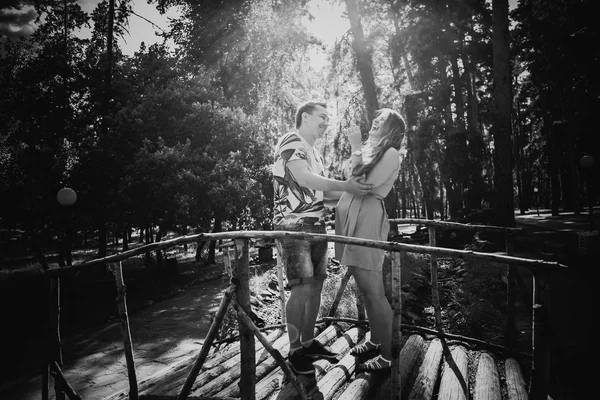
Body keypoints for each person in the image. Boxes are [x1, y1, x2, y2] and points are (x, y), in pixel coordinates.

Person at [272, 101, 373, 375]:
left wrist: (356, 192)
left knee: (315, 286)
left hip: (317, 226)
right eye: (322, 117)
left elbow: (325, 196)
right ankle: (294, 351)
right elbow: (305, 180)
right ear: (305, 116)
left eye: (328, 118)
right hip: (292, 226)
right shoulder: (291, 141)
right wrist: (345, 187)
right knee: (301, 288)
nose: (326, 122)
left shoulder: (315, 152)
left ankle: (307, 341)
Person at [335, 108, 406, 371]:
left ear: (392, 130)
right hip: (350, 218)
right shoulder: (370, 150)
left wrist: (354, 146)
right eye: (375, 118)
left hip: (367, 219)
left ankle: (387, 358)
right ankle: (375, 341)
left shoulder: (390, 153)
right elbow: (347, 175)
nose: (375, 121)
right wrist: (358, 152)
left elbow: (362, 181)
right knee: (365, 289)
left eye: (382, 120)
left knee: (375, 292)